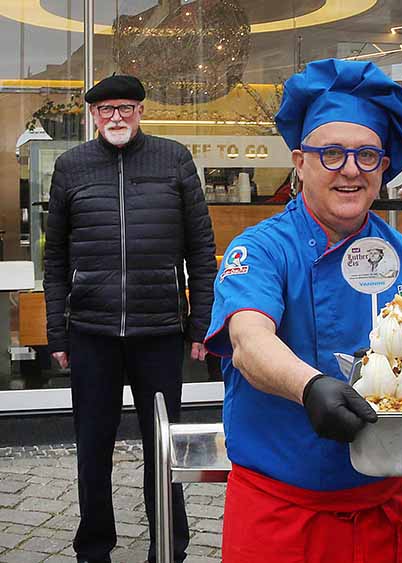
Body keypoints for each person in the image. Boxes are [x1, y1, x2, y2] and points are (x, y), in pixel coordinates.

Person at [203, 58, 402, 562]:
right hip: (281, 517)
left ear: (384, 166)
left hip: (384, 513)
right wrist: (310, 387)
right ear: (299, 161)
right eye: (331, 153)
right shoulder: (263, 249)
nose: (350, 169)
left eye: (366, 155)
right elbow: (249, 341)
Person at [43, 74, 216, 563]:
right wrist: (58, 330)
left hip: (159, 330)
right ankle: (94, 547)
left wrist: (199, 324)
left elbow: (201, 251)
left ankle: (169, 545)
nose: (115, 117)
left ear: (141, 111)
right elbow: (54, 258)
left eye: (125, 107)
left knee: (163, 446)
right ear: (93, 116)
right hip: (91, 332)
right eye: (105, 110)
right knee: (92, 448)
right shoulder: (71, 166)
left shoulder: (174, 159)